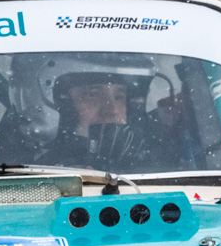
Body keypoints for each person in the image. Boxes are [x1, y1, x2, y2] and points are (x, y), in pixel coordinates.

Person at [46, 70, 189, 171]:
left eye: (119, 97)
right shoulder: (43, 170)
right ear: (65, 106)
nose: (112, 110)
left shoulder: (160, 166)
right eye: (92, 95)